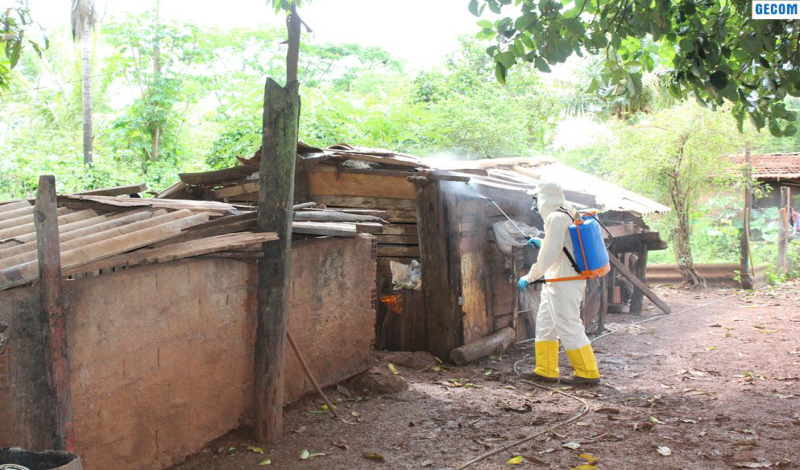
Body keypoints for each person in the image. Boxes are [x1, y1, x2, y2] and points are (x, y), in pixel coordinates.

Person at [517, 180, 601, 386]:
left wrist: (530, 276)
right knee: (545, 325)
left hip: (565, 280)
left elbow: (549, 253)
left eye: (537, 198)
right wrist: (542, 242)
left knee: (568, 324)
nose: (535, 203)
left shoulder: (556, 217)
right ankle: (545, 370)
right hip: (556, 279)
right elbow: (561, 244)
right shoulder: (566, 212)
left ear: (545, 197)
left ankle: (588, 372)